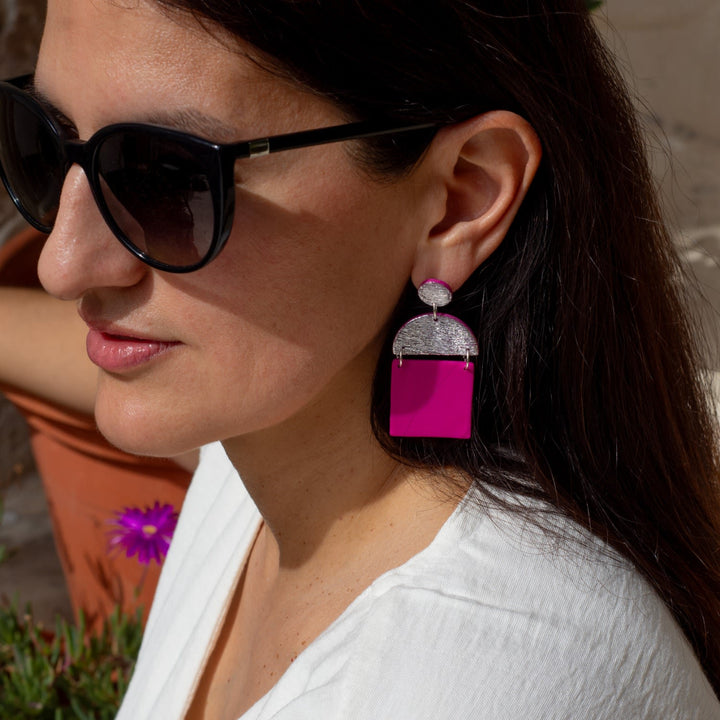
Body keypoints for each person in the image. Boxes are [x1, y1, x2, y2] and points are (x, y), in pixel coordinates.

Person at [0, 0, 718, 717]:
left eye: (166, 176)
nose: (63, 264)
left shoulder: (468, 688)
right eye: (42, 143)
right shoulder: (291, 439)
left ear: (460, 199)